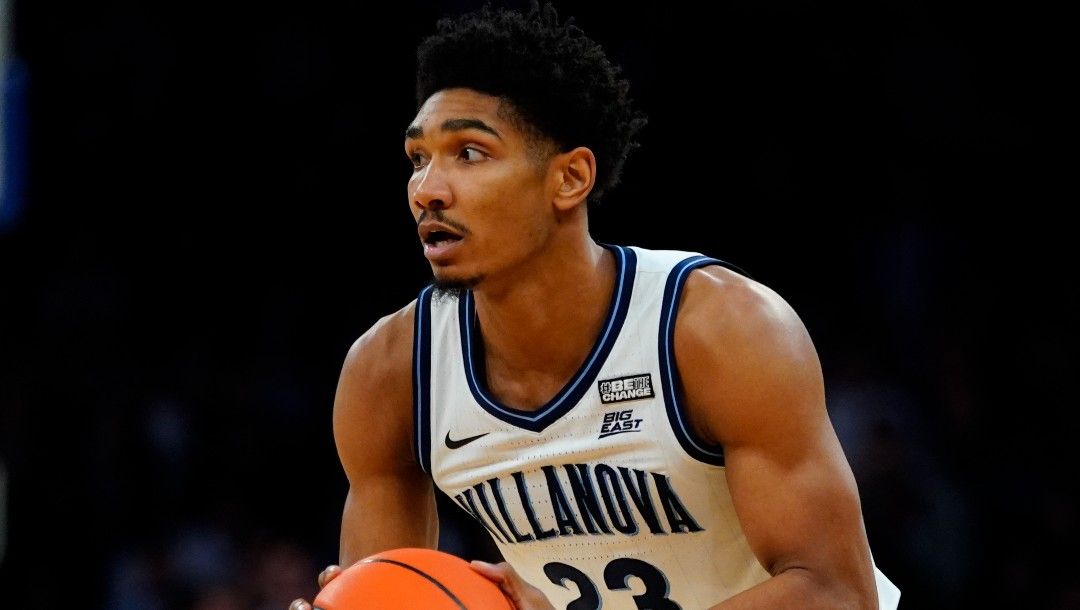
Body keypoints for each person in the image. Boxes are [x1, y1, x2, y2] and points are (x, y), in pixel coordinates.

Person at [292, 2, 900, 608]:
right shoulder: (390, 372)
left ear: (570, 178)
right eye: (418, 160)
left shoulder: (717, 328)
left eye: (469, 154)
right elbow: (388, 591)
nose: (427, 190)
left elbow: (836, 592)